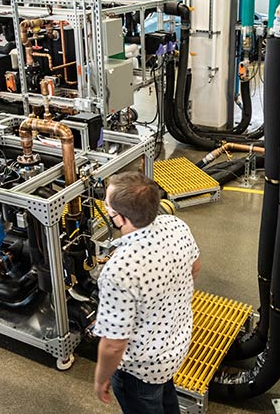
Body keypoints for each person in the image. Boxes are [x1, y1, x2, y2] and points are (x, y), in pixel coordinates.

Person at [93, 171, 202, 413]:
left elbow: (113, 344)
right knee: (165, 397)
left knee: (145, 402)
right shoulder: (177, 226)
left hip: (140, 369)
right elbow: (195, 268)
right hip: (176, 345)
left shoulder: (119, 270)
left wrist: (101, 378)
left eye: (109, 209)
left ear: (120, 219)